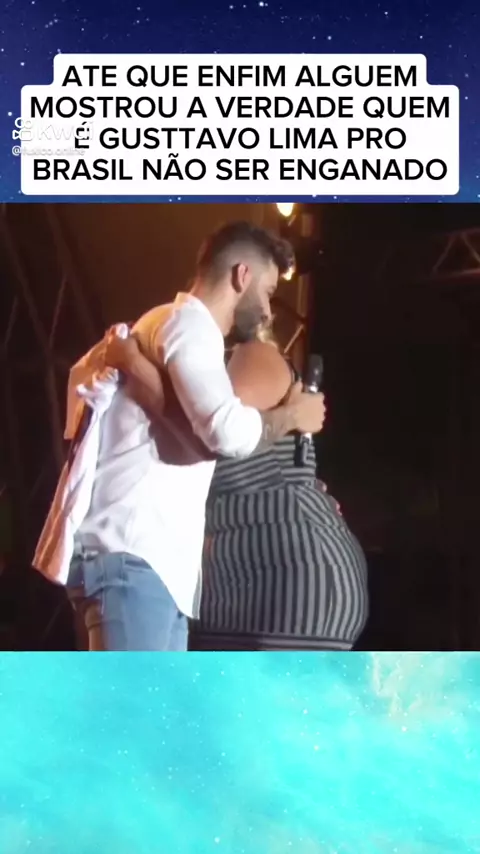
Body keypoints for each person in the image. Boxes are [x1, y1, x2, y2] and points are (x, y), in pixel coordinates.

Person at [35, 221, 326, 652]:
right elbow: (227, 433)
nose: (268, 312)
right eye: (267, 292)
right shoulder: (189, 324)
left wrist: (139, 368)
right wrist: (293, 415)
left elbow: (194, 436)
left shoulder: (171, 327)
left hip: (147, 569)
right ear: (241, 275)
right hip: (133, 558)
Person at [116, 323, 368, 651]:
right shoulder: (191, 377)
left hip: (288, 582)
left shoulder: (253, 357)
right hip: (239, 583)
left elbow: (213, 437)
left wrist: (136, 368)